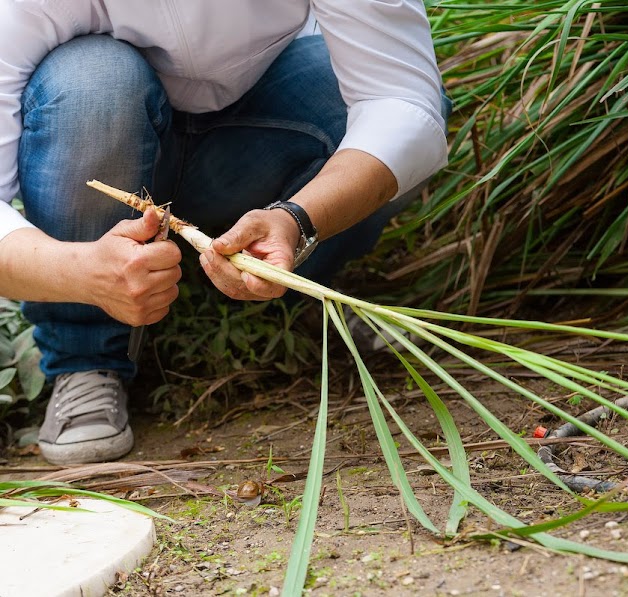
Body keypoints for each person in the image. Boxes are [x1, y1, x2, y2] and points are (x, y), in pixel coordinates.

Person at [0, 1, 449, 465]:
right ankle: (85, 355)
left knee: (360, 109)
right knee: (93, 81)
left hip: (248, 130)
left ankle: (294, 295)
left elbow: (402, 103)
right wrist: (78, 273)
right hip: (89, 133)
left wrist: (298, 218)